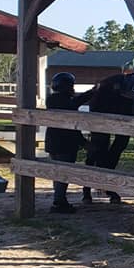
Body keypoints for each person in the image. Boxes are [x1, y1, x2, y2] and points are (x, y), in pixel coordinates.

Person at [45, 72, 94, 214]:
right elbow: (72, 120)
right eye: (71, 86)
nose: (72, 88)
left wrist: (90, 93)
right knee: (63, 174)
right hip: (64, 144)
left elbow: (75, 102)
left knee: (58, 173)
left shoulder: (53, 99)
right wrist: (84, 143)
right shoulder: (65, 102)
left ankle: (59, 199)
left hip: (53, 142)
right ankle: (59, 202)